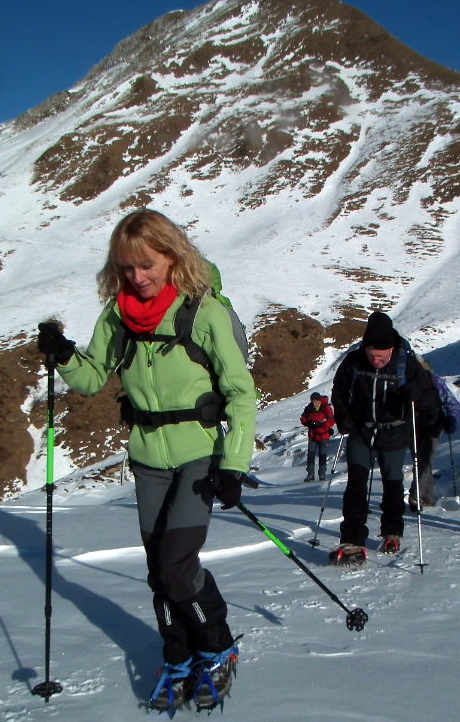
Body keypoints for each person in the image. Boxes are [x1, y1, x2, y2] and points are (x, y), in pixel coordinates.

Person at [36, 209, 257, 713]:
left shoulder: (204, 313)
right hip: (147, 457)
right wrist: (64, 352)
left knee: (178, 567)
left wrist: (234, 465)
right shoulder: (118, 313)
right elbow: (93, 378)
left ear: (171, 256)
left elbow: (242, 394)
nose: (136, 276)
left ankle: (218, 647)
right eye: (126, 267)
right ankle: (178, 657)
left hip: (200, 453)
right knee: (161, 570)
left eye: (146, 264)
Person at [329, 312, 441, 563]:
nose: (376, 359)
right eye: (371, 354)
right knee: (356, 484)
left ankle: (392, 531)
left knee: (392, 485)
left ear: (392, 348)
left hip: (394, 433)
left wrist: (418, 395)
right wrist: (342, 415)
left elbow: (432, 401)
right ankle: (352, 538)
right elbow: (339, 391)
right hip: (361, 430)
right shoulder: (354, 361)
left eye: (381, 355)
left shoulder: (408, 364)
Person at [407, 361, 460, 511]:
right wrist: (452, 419)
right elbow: (452, 403)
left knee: (423, 460)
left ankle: (416, 496)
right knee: (423, 461)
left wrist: (451, 419)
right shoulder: (435, 380)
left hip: (423, 425)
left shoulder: (413, 380)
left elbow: (452, 403)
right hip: (427, 425)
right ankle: (426, 496)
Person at [300, 392, 335, 482]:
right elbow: (303, 418)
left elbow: (331, 421)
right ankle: (310, 474)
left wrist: (320, 427)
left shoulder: (326, 408)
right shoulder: (309, 408)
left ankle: (322, 473)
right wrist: (309, 423)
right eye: (312, 401)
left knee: (322, 455)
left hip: (323, 436)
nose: (314, 403)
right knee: (311, 455)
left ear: (319, 401)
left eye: (315, 401)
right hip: (313, 436)